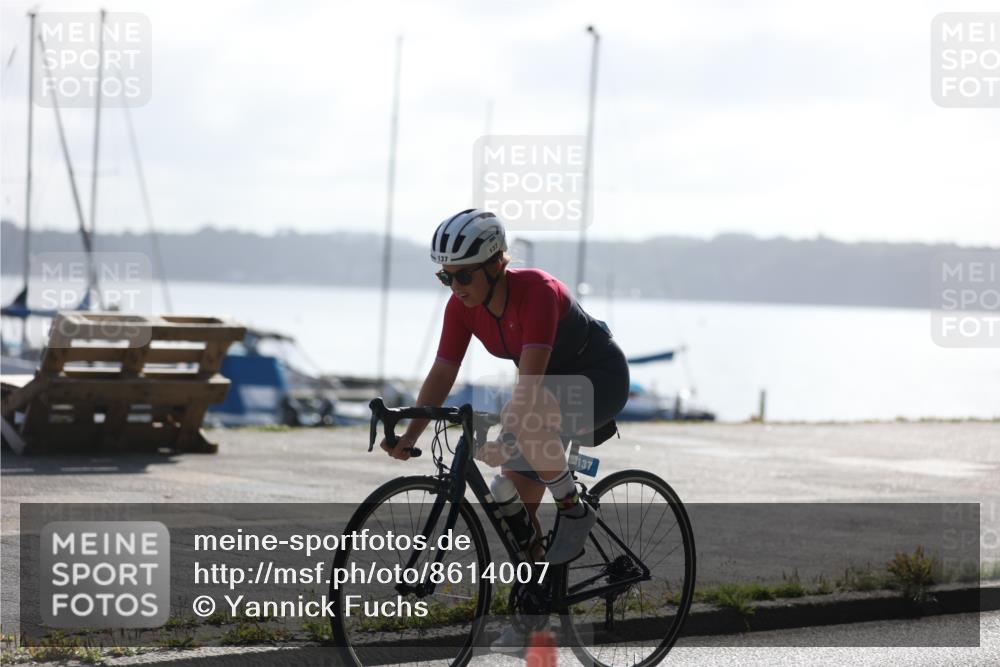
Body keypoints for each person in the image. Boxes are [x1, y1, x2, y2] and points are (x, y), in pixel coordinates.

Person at [379, 208, 630, 650]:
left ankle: (574, 509)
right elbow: (441, 376)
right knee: (515, 513)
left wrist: (504, 426)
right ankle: (535, 615)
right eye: (446, 278)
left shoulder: (537, 292)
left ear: (497, 264)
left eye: (464, 277)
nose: (455, 288)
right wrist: (410, 435)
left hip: (598, 379)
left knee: (526, 423)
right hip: (549, 387)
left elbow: (529, 386)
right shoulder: (462, 308)